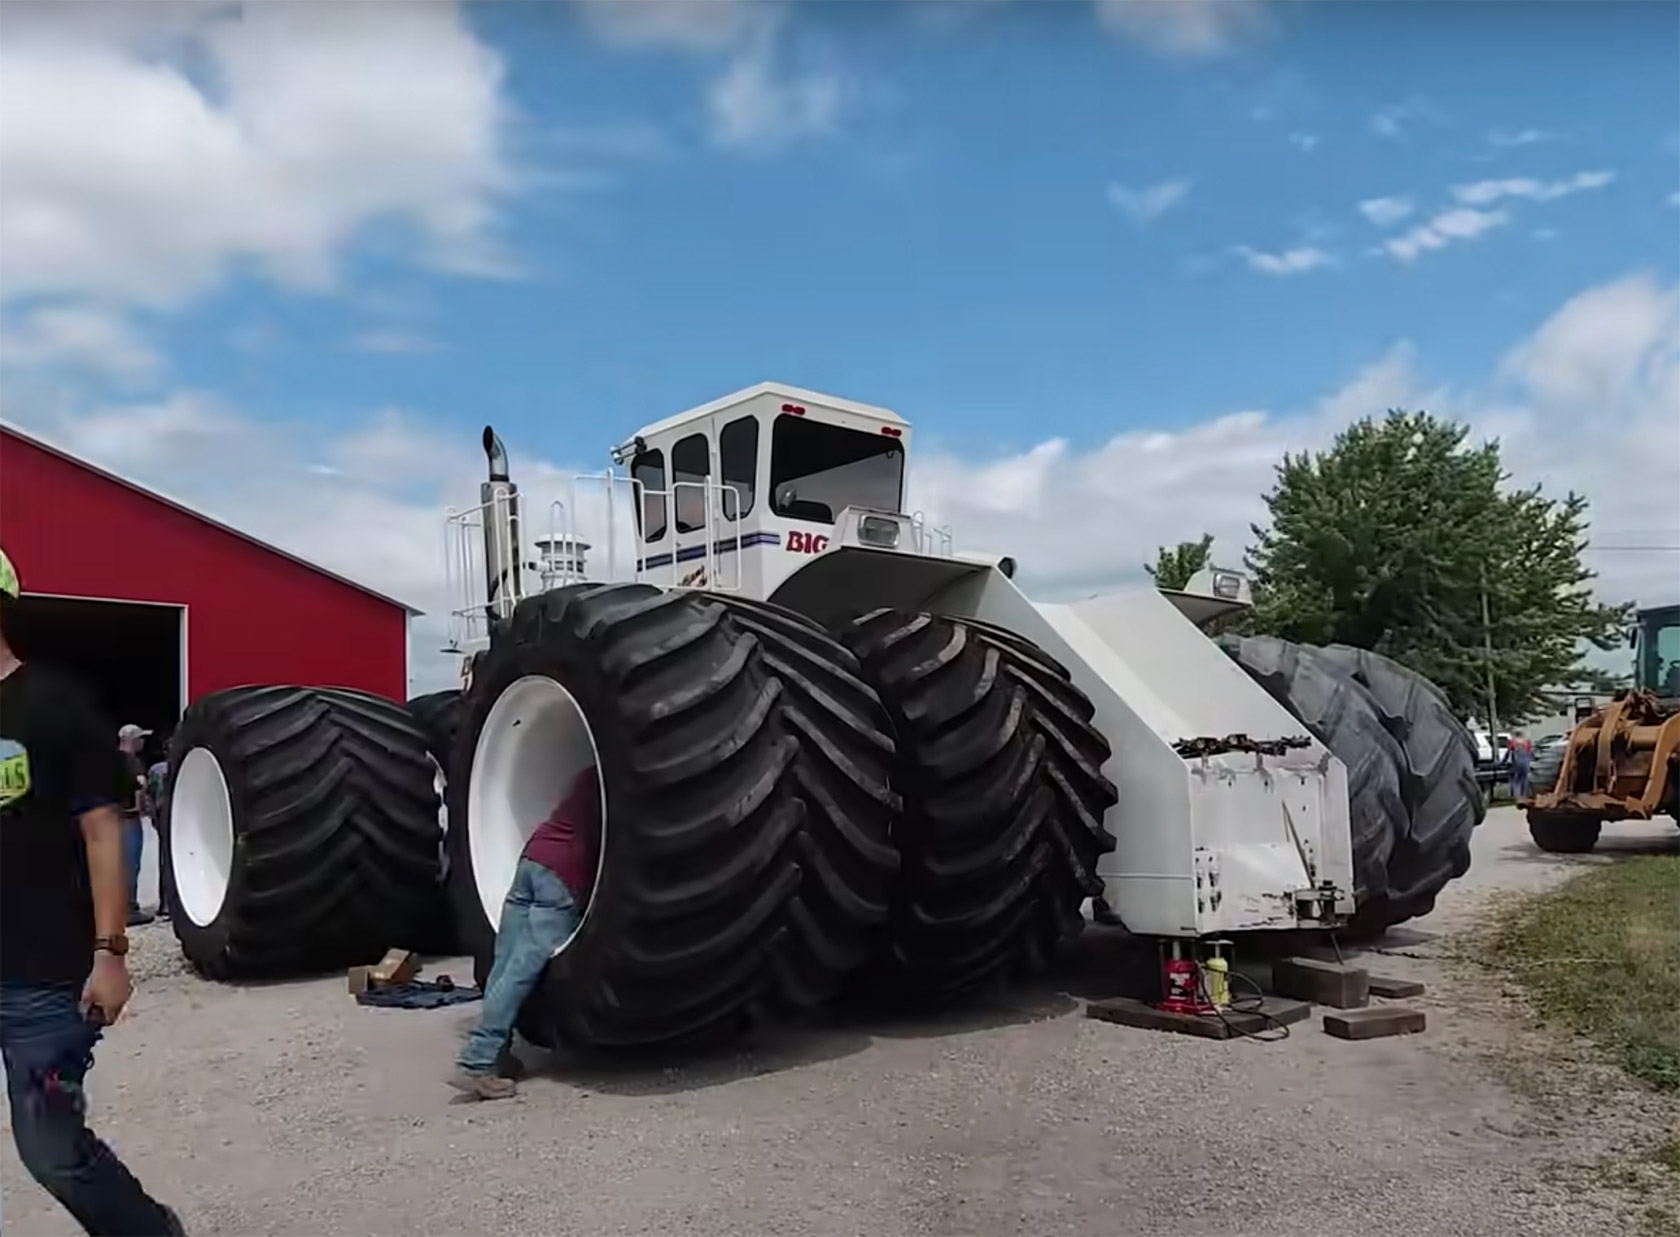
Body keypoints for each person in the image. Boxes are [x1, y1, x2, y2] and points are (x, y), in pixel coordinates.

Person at [0, 546, 187, 1235]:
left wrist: (111, 952)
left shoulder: (50, 702)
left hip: (43, 976)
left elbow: (105, 832)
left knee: (50, 1148)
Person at [451, 764, 601, 1102]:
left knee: (504, 963)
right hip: (561, 874)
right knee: (522, 969)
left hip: (532, 858)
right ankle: (478, 1060)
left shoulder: (586, 774)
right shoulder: (617, 775)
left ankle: (498, 1053)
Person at [117, 724, 155, 927]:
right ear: (131, 739)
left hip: (112, 819)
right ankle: (129, 909)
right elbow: (140, 785)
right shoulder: (132, 761)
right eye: (140, 738)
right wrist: (140, 809)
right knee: (131, 865)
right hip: (128, 819)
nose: (143, 742)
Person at [1508, 731, 1532, 801]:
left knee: (1516, 780)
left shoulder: (1512, 742)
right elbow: (1530, 752)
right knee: (1524, 779)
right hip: (1525, 762)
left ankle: (1517, 796)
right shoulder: (1526, 742)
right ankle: (1524, 796)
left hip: (1516, 763)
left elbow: (1509, 752)